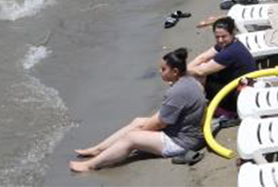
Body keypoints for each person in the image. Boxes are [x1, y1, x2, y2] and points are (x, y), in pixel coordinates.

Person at [69, 48, 206, 172]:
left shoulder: (177, 91)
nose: (160, 72)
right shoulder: (190, 81)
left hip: (181, 143)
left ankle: (90, 165)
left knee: (131, 137)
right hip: (186, 133)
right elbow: (165, 117)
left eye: (163, 69)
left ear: (175, 71)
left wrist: (136, 133)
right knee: (138, 121)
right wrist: (141, 127)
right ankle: (98, 149)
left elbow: (159, 124)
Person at [188, 18, 257, 118]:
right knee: (200, 69)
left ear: (233, 33)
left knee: (200, 75)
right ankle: (197, 101)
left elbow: (201, 71)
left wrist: (179, 73)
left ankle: (197, 107)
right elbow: (202, 57)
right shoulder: (231, 43)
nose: (220, 40)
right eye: (217, 37)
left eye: (224, 36)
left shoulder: (230, 52)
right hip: (240, 83)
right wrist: (185, 70)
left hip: (240, 95)